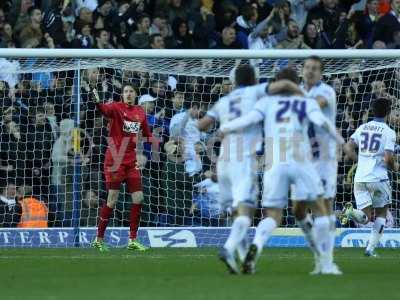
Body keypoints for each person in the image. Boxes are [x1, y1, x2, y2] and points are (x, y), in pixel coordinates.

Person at [219, 67, 344, 275]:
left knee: (273, 215)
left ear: (277, 82)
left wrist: (225, 128)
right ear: (297, 83)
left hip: (274, 163)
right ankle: (326, 263)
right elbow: (322, 121)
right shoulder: (306, 102)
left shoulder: (266, 103)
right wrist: (341, 141)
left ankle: (257, 245)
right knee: (321, 209)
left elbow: (248, 119)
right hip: (302, 161)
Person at [197, 65, 305, 274]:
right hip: (243, 160)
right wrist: (299, 90)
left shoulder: (224, 100)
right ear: (254, 78)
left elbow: (202, 125)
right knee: (246, 211)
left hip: (222, 160)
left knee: (236, 215)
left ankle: (243, 259)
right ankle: (228, 249)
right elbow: (282, 84)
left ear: (235, 81)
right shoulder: (256, 91)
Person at [91, 83, 152, 252]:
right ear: (122, 94)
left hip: (131, 161)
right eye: (125, 91)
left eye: (131, 91)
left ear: (136, 94)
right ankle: (99, 238)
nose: (128, 94)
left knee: (139, 198)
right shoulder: (116, 108)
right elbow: (104, 110)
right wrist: (97, 103)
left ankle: (132, 240)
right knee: (112, 200)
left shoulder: (140, 112)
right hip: (115, 160)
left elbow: (148, 135)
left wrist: (148, 152)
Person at [342, 98, 397, 257]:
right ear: (388, 112)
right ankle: (370, 249)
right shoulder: (388, 131)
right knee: (381, 214)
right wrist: (395, 167)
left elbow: (348, 147)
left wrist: (360, 161)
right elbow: (388, 158)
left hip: (360, 178)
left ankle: (351, 212)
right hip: (378, 179)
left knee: (365, 218)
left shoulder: (362, 128)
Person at [301, 55, 340, 274]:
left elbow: (313, 107)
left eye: (315, 68)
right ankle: (320, 255)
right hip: (301, 159)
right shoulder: (298, 91)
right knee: (298, 209)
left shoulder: (326, 92)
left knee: (324, 206)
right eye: (307, 67)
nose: (310, 71)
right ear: (302, 69)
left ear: (321, 73)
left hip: (324, 159)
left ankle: (327, 261)